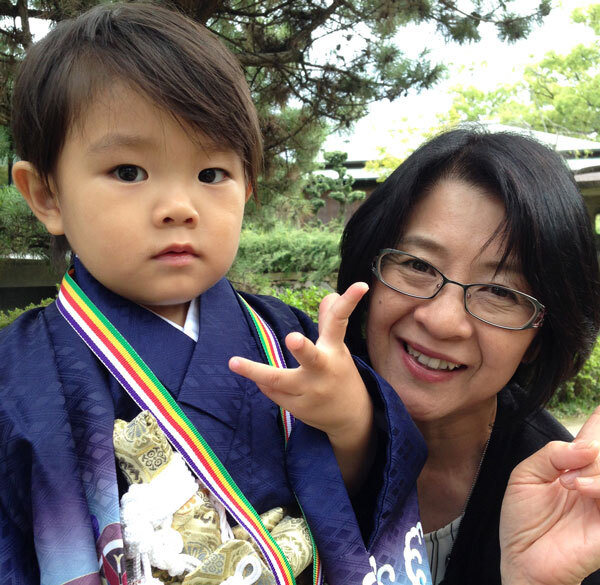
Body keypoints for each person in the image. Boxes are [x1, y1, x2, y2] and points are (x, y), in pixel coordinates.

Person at [0, 4, 431, 585]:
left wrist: (351, 422)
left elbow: (359, 505)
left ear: (247, 189)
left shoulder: (289, 340)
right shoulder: (18, 376)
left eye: (210, 174)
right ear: (46, 195)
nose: (179, 207)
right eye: (128, 172)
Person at [333, 127, 600, 584]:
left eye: (500, 292)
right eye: (418, 265)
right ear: (369, 272)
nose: (442, 321)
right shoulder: (278, 426)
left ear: (540, 337)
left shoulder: (568, 512)